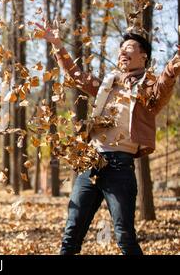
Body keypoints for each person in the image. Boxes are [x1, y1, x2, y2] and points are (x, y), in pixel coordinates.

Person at [37, 22, 180, 255]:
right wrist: (57, 45)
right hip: (91, 163)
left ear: (143, 56)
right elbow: (76, 76)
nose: (122, 50)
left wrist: (176, 60)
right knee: (71, 234)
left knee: (124, 236)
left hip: (120, 168)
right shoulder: (108, 84)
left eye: (130, 47)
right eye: (121, 47)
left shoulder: (149, 90)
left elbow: (165, 81)